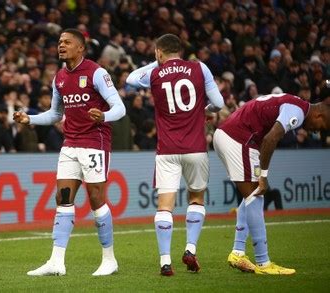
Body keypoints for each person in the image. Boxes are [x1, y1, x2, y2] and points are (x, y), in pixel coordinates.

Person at [13, 28, 126, 276]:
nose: (61, 45)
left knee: (96, 199)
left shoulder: (97, 73)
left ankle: (109, 259)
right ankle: (56, 262)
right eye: (59, 42)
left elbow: (120, 108)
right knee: (63, 198)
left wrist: (104, 115)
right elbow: (56, 115)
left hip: (95, 142)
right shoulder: (60, 78)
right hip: (70, 144)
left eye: (67, 42)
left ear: (80, 47)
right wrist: (28, 119)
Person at [126, 33, 224, 275]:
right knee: (196, 199)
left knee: (164, 207)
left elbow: (130, 78)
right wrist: (205, 110)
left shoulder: (154, 73)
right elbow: (219, 103)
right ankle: (190, 249)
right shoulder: (200, 68)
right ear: (180, 50)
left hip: (167, 151)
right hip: (196, 148)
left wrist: (157, 63)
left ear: (159, 52)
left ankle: (165, 262)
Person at [213, 93, 330, 275]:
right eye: (321, 127)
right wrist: (264, 175)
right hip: (238, 139)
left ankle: (237, 253)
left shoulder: (295, 103)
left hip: (232, 136)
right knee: (256, 195)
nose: (316, 131)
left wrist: (260, 172)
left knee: (252, 194)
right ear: (319, 115)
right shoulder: (298, 112)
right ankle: (263, 263)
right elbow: (270, 139)